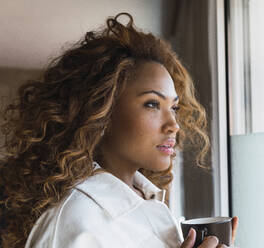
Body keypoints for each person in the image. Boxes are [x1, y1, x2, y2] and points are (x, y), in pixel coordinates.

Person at [0, 13, 238, 248]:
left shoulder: (146, 205)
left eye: (173, 107)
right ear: (100, 113)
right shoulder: (75, 225)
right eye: (152, 104)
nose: (174, 124)